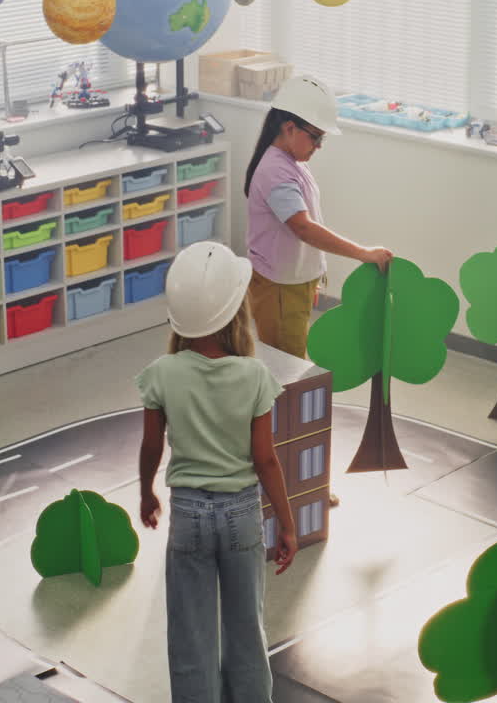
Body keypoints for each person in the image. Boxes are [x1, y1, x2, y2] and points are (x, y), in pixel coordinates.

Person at [135, 241, 299, 701]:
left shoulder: (161, 373)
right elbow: (266, 460)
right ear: (236, 313)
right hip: (242, 515)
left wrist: (147, 492)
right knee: (247, 631)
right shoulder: (255, 377)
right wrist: (287, 525)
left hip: (187, 516)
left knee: (190, 637)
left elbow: (151, 446)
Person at [243, 74, 392, 360]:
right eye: (316, 136)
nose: (319, 145)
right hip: (280, 288)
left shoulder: (291, 162)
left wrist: (312, 279)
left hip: (291, 284)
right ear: (289, 127)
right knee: (286, 369)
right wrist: (363, 253)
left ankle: (285, 406)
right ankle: (282, 407)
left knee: (289, 361)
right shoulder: (276, 172)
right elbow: (304, 229)